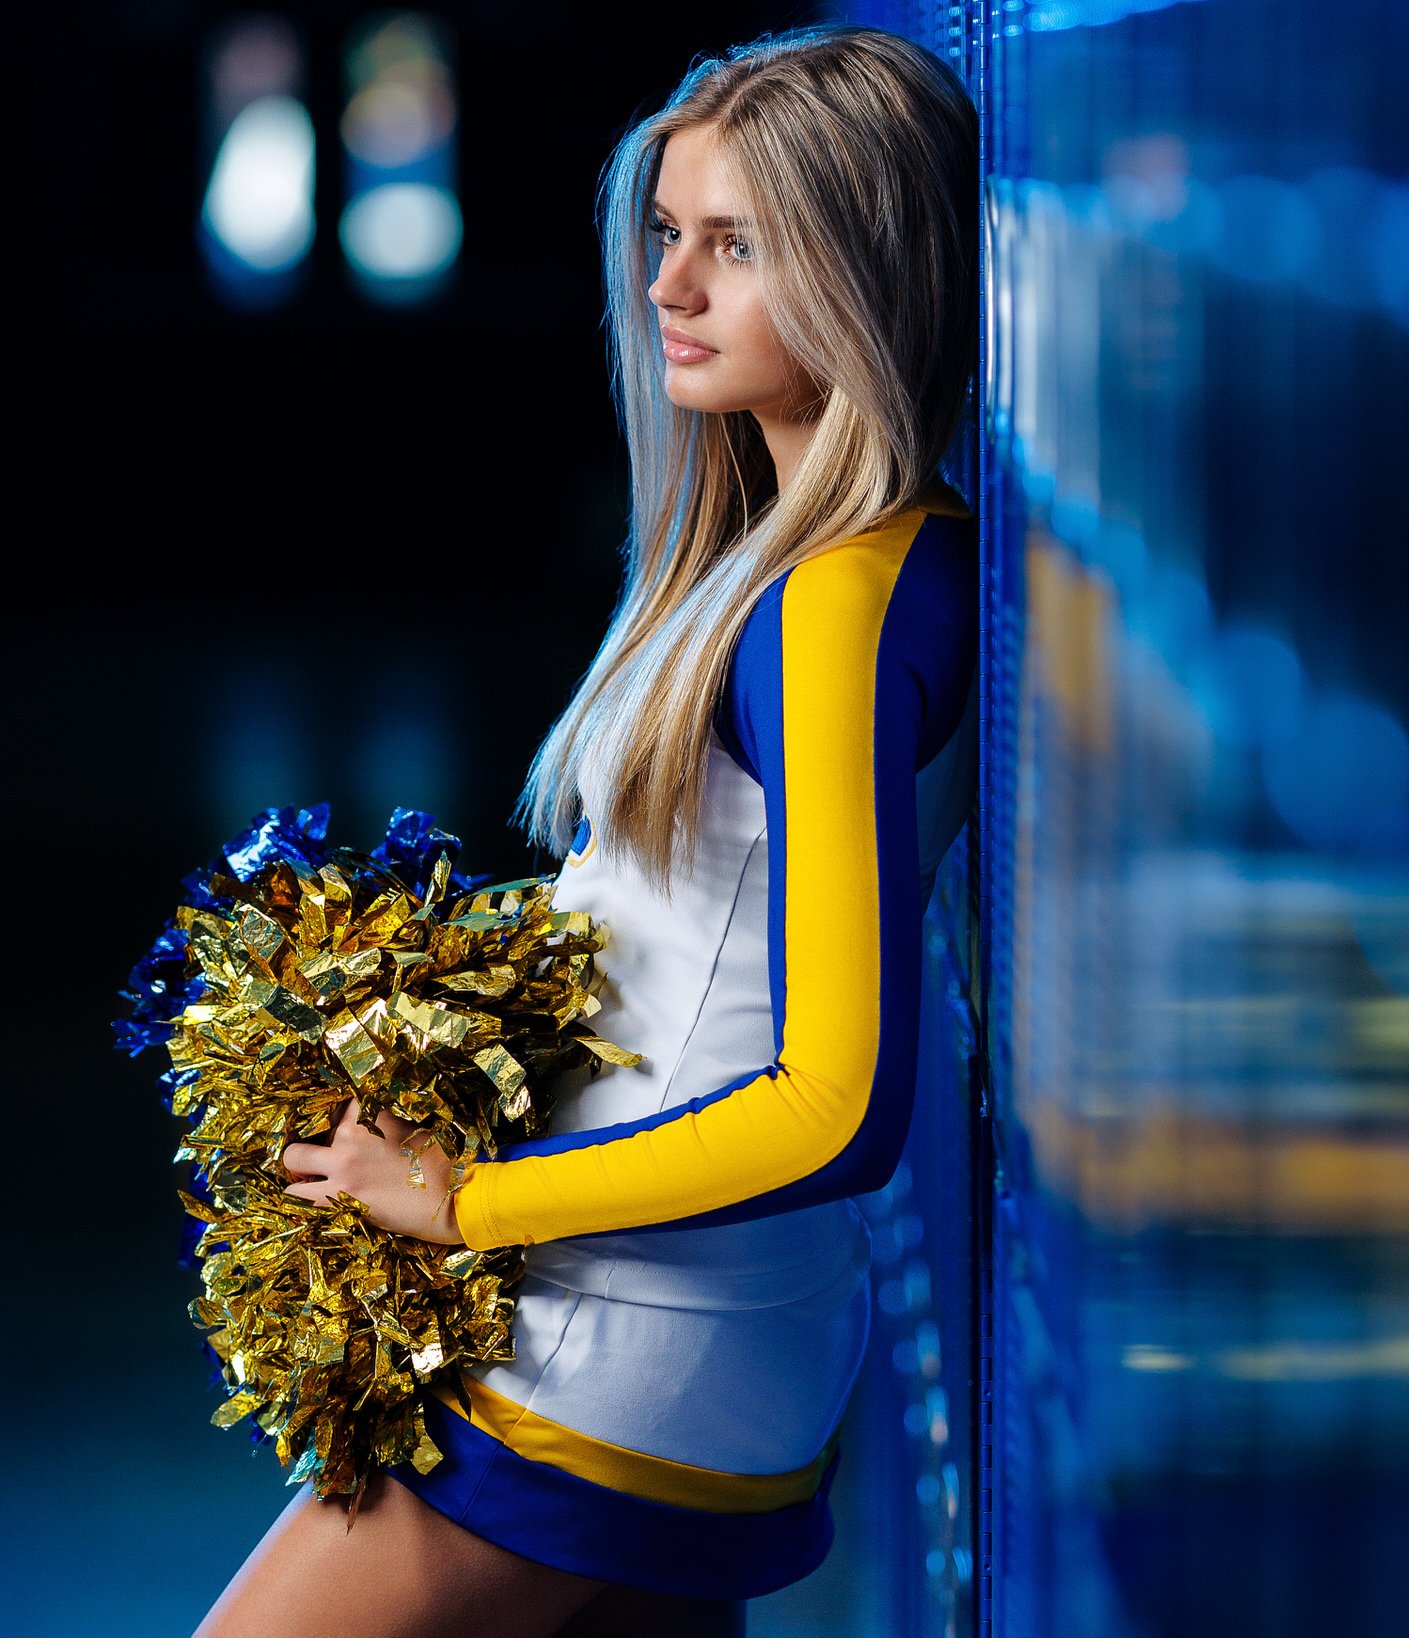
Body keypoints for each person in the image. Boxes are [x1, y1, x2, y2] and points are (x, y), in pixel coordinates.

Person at [196, 23, 981, 1638]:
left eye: (739, 246)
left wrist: (459, 1198)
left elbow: (841, 1102)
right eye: (668, 237)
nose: (671, 290)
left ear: (861, 269)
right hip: (704, 1343)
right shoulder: (824, 555)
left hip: (627, 1350)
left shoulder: (831, 604)